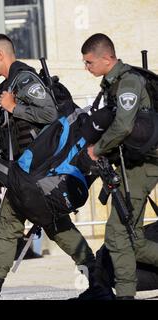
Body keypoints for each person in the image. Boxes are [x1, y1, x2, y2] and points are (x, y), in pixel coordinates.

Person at [0, 34, 110, 300]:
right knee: (58, 227)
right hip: (32, 174)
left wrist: (14, 107)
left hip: (35, 173)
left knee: (8, 227)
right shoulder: (10, 84)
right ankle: (98, 283)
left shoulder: (24, 80)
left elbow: (48, 113)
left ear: (1, 55)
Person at [81, 33, 158, 299]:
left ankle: (125, 294)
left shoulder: (128, 82)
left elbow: (124, 126)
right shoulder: (112, 84)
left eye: (89, 62)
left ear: (107, 58)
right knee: (133, 240)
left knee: (116, 234)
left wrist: (97, 149)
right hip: (134, 164)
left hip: (144, 165)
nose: (87, 67)